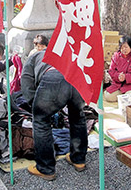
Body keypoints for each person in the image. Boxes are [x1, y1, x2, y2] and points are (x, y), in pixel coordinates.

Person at [21, 50, 88, 181]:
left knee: (41, 121)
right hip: (76, 77)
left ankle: (46, 168)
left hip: (53, 79)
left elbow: (26, 84)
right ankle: (78, 159)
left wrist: (36, 106)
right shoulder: (60, 51)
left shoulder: (32, 57)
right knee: (78, 117)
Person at [104, 36, 131, 102]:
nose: (124, 49)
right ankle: (123, 98)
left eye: (126, 47)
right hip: (118, 85)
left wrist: (126, 77)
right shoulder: (116, 56)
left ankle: (124, 98)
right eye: (122, 47)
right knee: (108, 96)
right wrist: (118, 76)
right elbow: (111, 71)